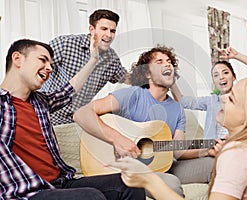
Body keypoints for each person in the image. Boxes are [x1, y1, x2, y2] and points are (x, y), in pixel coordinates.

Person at [108, 75, 247, 200]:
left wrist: (148, 180)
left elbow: (178, 149)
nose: (223, 98)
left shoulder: (238, 154)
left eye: (232, 99)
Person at [0, 38, 145, 200]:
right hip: (26, 193)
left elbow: (69, 91)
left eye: (51, 63)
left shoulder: (41, 102)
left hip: (60, 183)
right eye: (42, 60)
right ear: (17, 59)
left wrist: (93, 60)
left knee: (132, 182)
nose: (49, 68)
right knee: (91, 197)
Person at [74, 45, 223, 197]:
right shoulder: (132, 95)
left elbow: (178, 150)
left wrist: (205, 150)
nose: (167, 64)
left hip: (165, 165)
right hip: (128, 168)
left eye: (169, 61)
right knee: (171, 184)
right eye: (159, 62)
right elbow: (81, 113)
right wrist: (117, 139)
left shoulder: (177, 109)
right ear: (147, 73)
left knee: (218, 164)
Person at [41, 9, 129, 126]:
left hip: (75, 122)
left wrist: (149, 70)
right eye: (104, 29)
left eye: (112, 31)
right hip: (47, 116)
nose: (109, 35)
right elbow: (37, 65)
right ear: (92, 29)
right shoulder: (65, 44)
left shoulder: (112, 60)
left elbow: (129, 79)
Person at [171, 47, 247, 140]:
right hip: (212, 151)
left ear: (234, 76)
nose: (221, 77)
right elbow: (181, 100)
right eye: (216, 75)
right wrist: (170, 79)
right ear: (214, 81)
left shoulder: (244, 97)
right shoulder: (211, 101)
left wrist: (237, 56)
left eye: (225, 73)